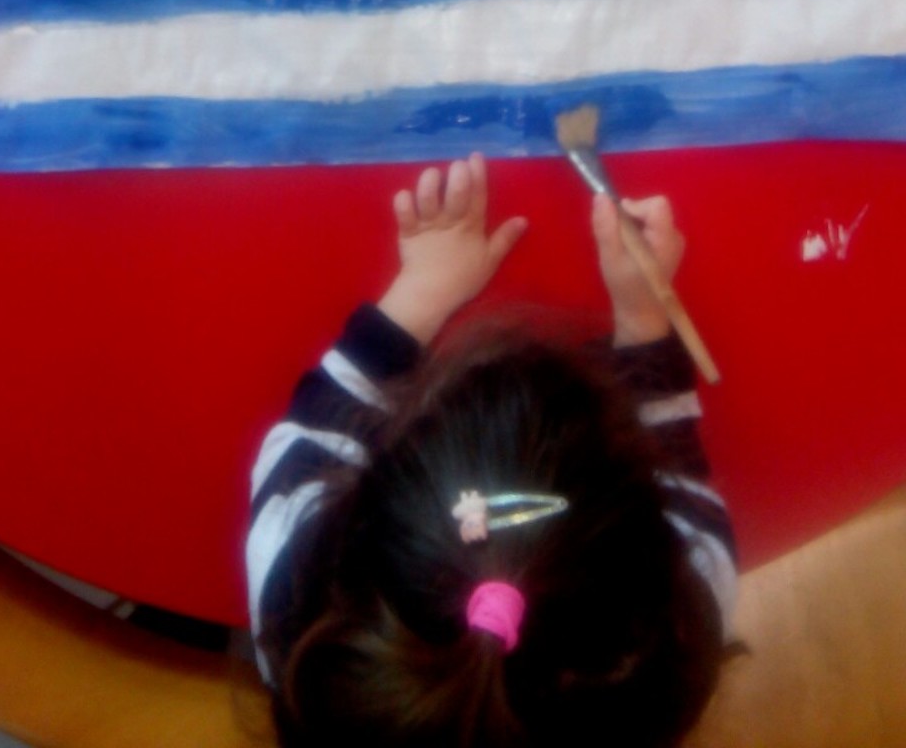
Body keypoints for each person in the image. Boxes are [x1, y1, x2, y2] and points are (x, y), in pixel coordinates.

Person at [246, 152, 737, 747]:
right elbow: (686, 497)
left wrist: (420, 294)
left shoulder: (302, 626)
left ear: (359, 516)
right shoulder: (672, 655)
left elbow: (306, 440)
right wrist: (645, 321)